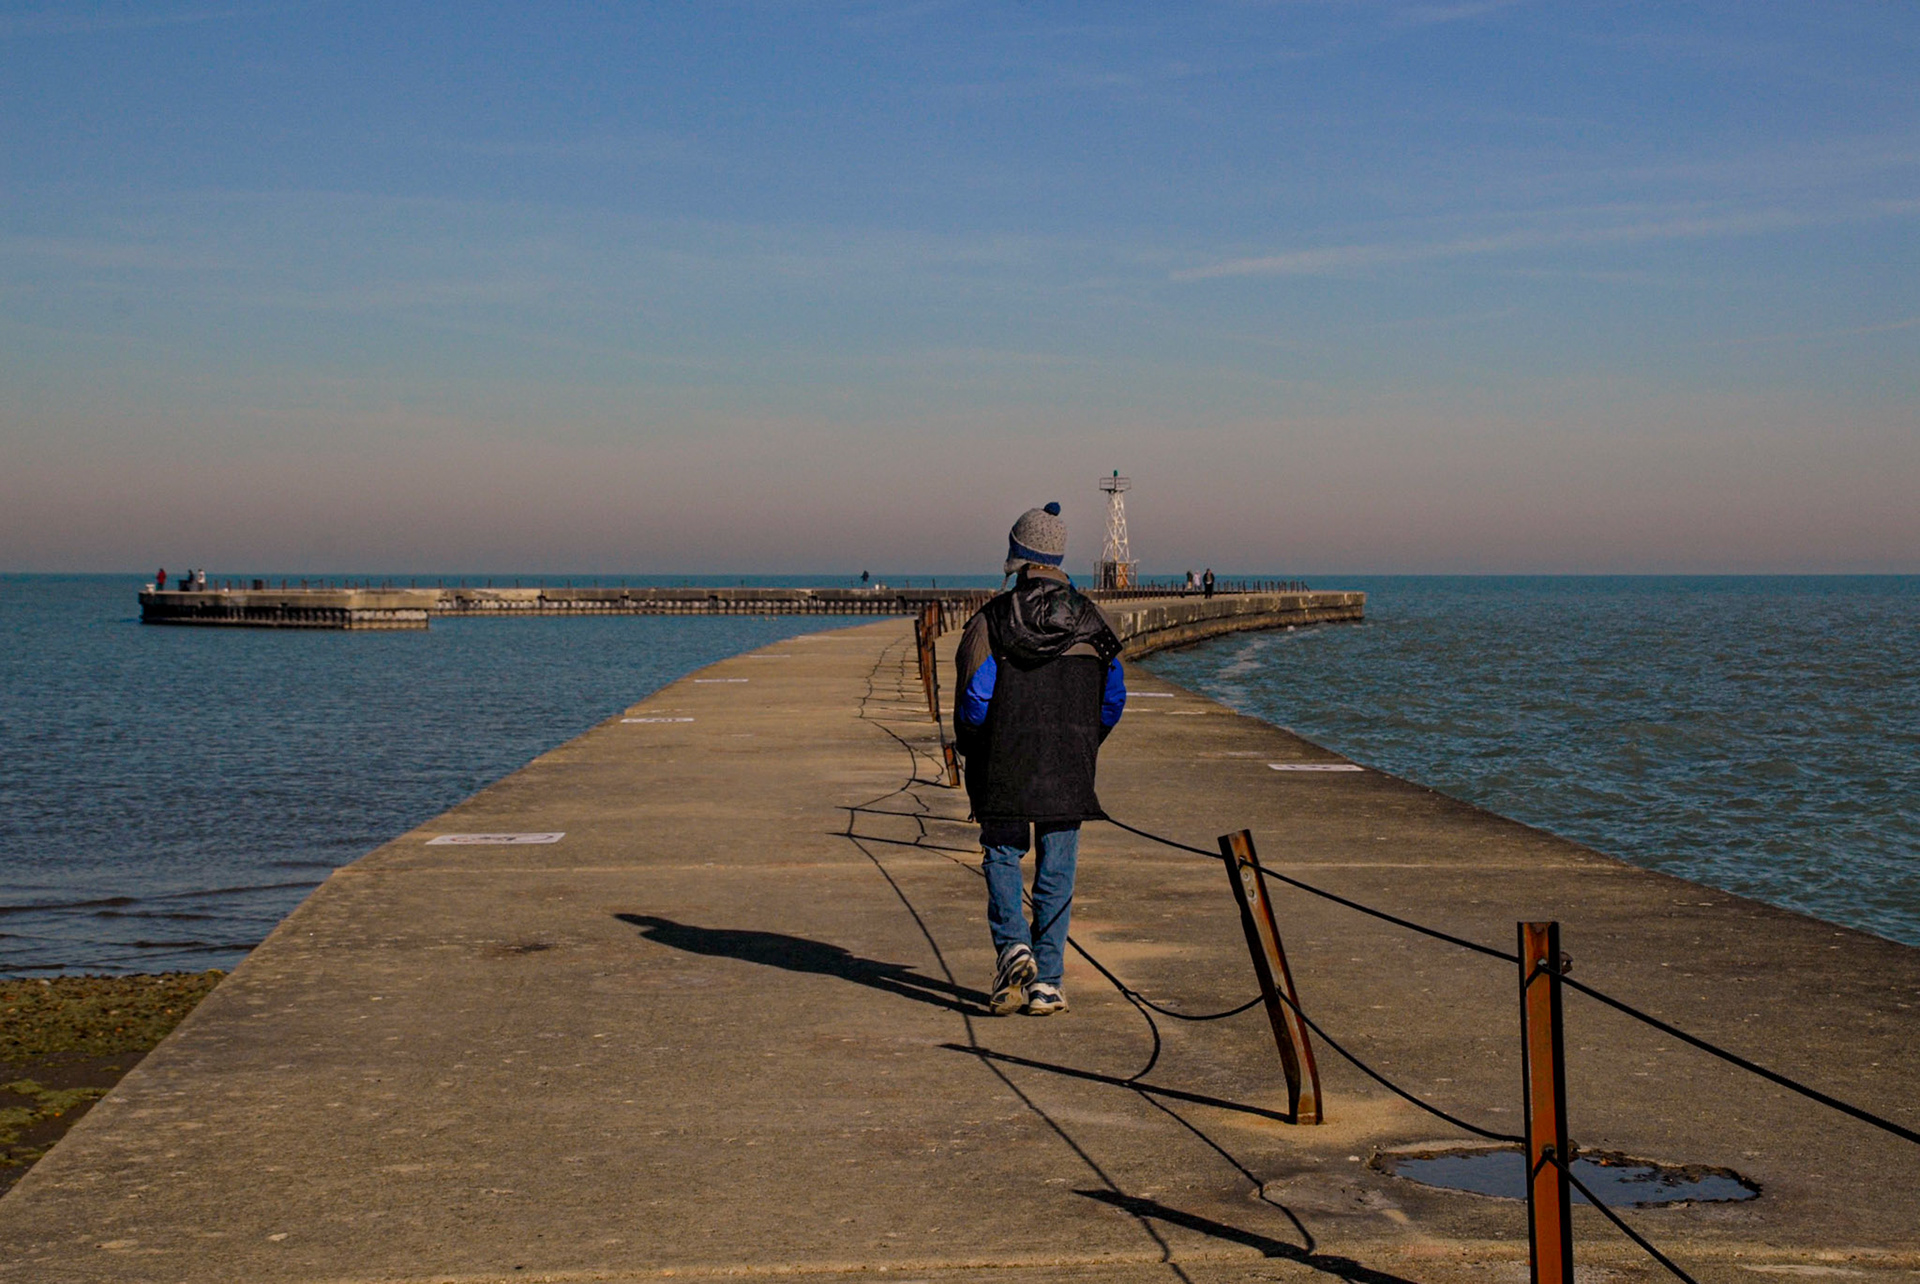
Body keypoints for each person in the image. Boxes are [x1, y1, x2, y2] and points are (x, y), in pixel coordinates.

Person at [953, 502, 1126, 1017]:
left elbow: (975, 700)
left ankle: (1013, 946)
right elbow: (1113, 699)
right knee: (1058, 867)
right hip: (1069, 762)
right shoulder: (1094, 621)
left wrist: (974, 744)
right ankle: (1047, 982)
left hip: (1004, 759)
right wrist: (1084, 739)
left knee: (1002, 853)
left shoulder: (990, 620)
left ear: (1018, 555)